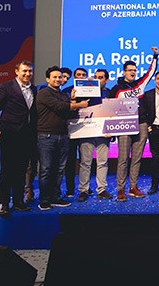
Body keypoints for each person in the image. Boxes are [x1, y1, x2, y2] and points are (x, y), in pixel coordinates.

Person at [108, 46, 159, 202]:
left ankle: (133, 187)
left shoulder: (140, 84)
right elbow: (109, 109)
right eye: (130, 70)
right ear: (124, 72)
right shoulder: (116, 89)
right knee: (123, 159)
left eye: (134, 70)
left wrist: (155, 55)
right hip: (124, 125)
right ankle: (120, 189)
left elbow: (151, 72)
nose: (133, 72)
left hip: (141, 124)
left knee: (137, 158)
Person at [0, 60, 37, 216]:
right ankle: (4, 204)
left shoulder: (33, 89)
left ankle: (18, 202)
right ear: (16, 71)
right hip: (9, 135)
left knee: (21, 170)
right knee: (7, 170)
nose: (27, 74)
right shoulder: (6, 87)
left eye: (30, 71)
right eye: (24, 71)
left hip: (26, 136)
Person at [36, 66, 88, 210]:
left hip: (63, 135)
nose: (58, 79)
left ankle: (55, 197)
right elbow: (59, 107)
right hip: (46, 135)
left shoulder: (64, 95)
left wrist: (72, 101)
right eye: (55, 77)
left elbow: (69, 114)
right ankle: (44, 200)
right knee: (46, 169)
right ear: (48, 79)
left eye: (60, 77)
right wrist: (78, 104)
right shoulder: (44, 93)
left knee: (59, 169)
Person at [77, 69, 113, 202]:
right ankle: (83, 190)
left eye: (101, 77)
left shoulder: (109, 93)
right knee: (85, 163)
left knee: (102, 162)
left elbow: (113, 112)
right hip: (87, 131)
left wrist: (112, 130)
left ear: (106, 80)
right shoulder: (84, 91)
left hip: (104, 132)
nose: (98, 79)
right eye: (96, 77)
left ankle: (101, 189)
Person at [62, 67, 88, 198]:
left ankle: (85, 188)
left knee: (85, 160)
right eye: (78, 75)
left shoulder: (91, 92)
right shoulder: (66, 91)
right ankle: (70, 189)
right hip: (71, 131)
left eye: (83, 75)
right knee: (70, 161)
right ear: (75, 77)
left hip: (87, 130)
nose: (81, 77)